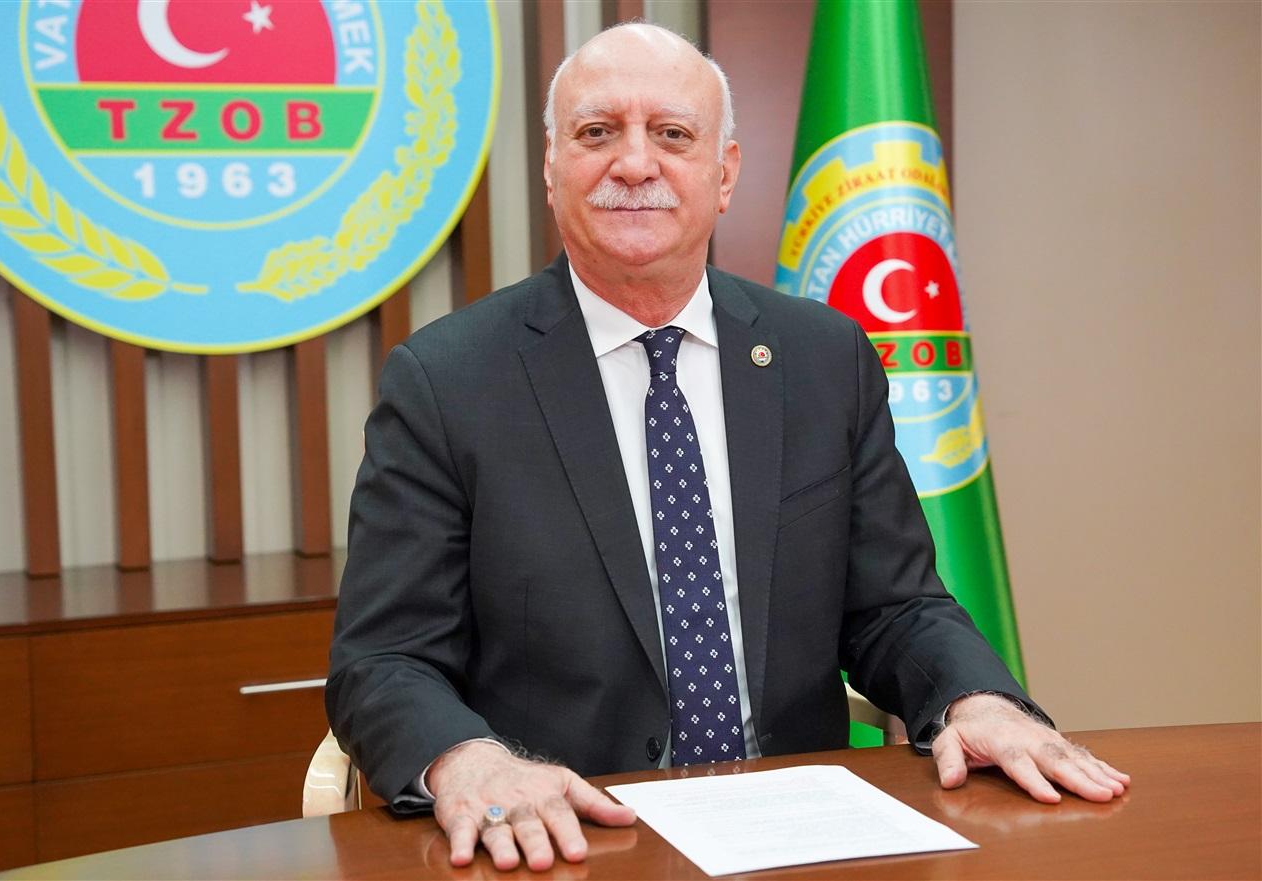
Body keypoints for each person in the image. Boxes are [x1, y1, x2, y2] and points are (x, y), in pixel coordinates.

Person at [327, 22, 1129, 872]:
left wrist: (977, 698)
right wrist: (469, 759)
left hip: (800, 833)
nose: (635, 163)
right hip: (570, 837)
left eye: (673, 134)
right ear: (553, 168)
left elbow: (894, 606)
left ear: (725, 173)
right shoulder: (447, 381)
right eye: (597, 133)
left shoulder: (824, 358)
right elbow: (384, 659)